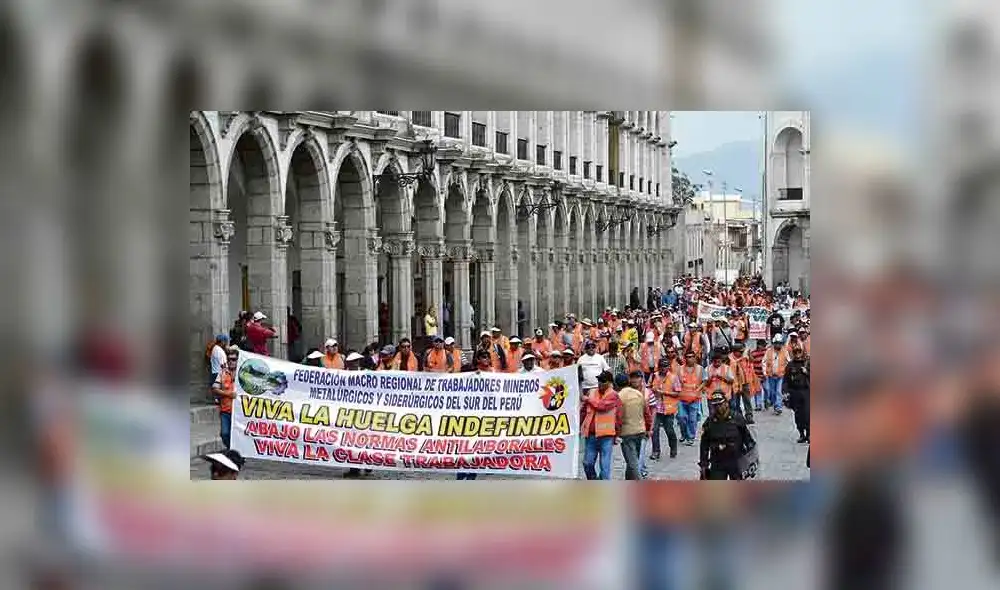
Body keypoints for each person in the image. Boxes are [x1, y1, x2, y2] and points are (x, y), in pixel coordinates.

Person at [698, 391, 755, 480]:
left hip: (736, 461)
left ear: (726, 403)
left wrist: (751, 460)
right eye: (715, 405)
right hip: (717, 461)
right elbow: (704, 445)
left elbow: (748, 439)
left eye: (720, 404)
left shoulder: (737, 418)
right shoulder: (709, 423)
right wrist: (703, 464)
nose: (718, 407)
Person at [457, 350, 495, 481]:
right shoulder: (469, 371)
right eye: (483, 357)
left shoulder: (493, 373)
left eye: (488, 357)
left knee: (476, 449)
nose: (486, 359)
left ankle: (471, 476)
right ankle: (461, 475)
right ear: (477, 359)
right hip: (465, 417)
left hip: (481, 417)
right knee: (464, 449)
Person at [580, 371, 621, 480]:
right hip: (591, 435)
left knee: (605, 467)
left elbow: (601, 406)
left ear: (609, 383)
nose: (600, 383)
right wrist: (580, 425)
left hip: (606, 436)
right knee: (587, 463)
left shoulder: (613, 395)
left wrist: (617, 434)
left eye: (603, 381)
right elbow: (583, 411)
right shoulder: (592, 392)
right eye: (599, 380)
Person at [617, 371, 653, 480]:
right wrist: (648, 429)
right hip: (640, 431)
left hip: (627, 433)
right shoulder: (638, 394)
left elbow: (618, 417)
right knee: (633, 459)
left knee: (633, 462)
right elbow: (647, 413)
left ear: (616, 385)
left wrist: (617, 433)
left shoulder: (618, 397)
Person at [649, 358, 681, 460]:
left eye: (666, 366)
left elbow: (677, 393)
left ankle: (673, 448)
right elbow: (648, 387)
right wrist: (652, 390)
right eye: (662, 366)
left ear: (668, 367)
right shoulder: (654, 376)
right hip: (656, 408)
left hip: (668, 408)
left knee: (669, 430)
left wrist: (664, 393)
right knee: (654, 430)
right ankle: (656, 451)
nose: (664, 368)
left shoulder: (673, 377)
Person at [210, 348, 239, 449]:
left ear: (238, 360)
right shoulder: (222, 373)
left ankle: (236, 453)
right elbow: (214, 389)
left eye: (234, 359)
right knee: (224, 434)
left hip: (239, 413)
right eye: (229, 359)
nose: (231, 361)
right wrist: (228, 394)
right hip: (225, 411)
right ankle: (232, 450)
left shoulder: (243, 374)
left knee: (238, 436)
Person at [677, 350, 706, 446]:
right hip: (682, 398)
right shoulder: (680, 369)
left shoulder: (700, 369)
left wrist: (698, 389)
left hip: (695, 399)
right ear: (685, 359)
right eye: (688, 357)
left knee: (692, 419)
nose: (690, 359)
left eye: (692, 357)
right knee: (681, 418)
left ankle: (690, 437)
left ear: (695, 358)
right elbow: (676, 382)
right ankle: (684, 434)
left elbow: (704, 381)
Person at [783, 345, 811, 443]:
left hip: (807, 392)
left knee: (808, 414)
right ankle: (802, 434)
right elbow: (786, 380)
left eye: (799, 352)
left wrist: (807, 372)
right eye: (795, 352)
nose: (797, 354)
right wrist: (785, 392)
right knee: (798, 415)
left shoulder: (807, 363)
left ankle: (809, 434)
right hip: (795, 392)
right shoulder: (790, 365)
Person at [762, 335, 790, 415]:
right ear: (774, 343)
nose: (778, 345)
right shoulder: (768, 351)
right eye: (777, 343)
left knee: (778, 391)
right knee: (772, 392)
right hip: (771, 376)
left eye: (780, 343)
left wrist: (787, 372)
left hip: (781, 376)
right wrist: (764, 373)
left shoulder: (785, 351)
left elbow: (788, 362)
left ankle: (778, 407)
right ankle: (775, 404)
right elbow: (764, 362)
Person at [729, 341, 755, 424]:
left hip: (745, 382)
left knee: (747, 400)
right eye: (740, 351)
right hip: (735, 384)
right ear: (735, 352)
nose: (742, 353)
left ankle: (749, 416)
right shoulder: (729, 360)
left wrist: (749, 354)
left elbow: (752, 361)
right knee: (735, 402)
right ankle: (738, 417)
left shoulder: (745, 357)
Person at [207, 334, 229, 404]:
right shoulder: (219, 351)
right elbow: (223, 365)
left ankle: (217, 400)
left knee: (216, 391)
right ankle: (218, 400)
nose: (226, 343)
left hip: (215, 372)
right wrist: (227, 373)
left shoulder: (215, 348)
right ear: (222, 342)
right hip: (219, 373)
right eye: (226, 341)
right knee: (219, 391)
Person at [748, 338, 767, 410]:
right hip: (757, 374)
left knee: (767, 389)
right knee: (758, 390)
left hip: (765, 374)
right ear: (759, 345)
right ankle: (758, 405)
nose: (764, 347)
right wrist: (749, 355)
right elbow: (751, 361)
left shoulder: (766, 352)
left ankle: (766, 401)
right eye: (763, 345)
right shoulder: (753, 353)